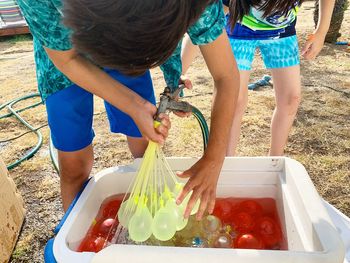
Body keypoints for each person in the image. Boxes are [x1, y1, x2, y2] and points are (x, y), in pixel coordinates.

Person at [17, 0, 239, 219]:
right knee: (73, 162)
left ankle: (151, 215)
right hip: (63, 53)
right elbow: (66, 60)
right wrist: (134, 104)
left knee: (144, 147)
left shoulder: (195, 5)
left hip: (128, 42)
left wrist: (214, 157)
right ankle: (73, 238)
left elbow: (226, 75)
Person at [182, 0, 335, 156]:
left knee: (291, 99)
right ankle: (225, 164)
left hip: (282, 32)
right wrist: (179, 73)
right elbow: (202, 26)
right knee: (234, 100)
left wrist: (321, 31)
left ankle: (274, 162)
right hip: (237, 30)